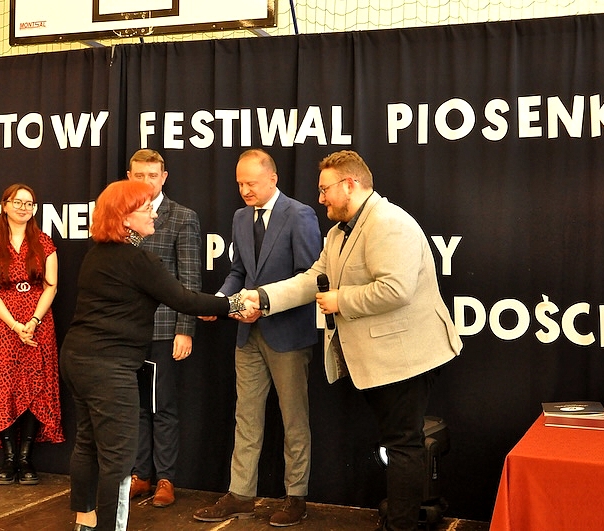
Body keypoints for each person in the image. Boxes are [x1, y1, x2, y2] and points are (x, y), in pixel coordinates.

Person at [246, 150, 462, 531]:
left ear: (350, 184)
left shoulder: (389, 223)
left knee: (403, 446)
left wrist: (340, 300)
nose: (320, 198)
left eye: (325, 189)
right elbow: (313, 278)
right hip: (382, 360)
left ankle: (400, 527)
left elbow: (396, 289)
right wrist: (263, 298)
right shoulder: (337, 233)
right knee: (398, 444)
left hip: (407, 358)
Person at [59, 180, 249, 531]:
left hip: (76, 359)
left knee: (87, 444)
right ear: (124, 218)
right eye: (146, 208)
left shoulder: (97, 254)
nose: (154, 214)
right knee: (118, 459)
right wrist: (234, 304)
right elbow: (184, 300)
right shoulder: (137, 260)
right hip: (108, 368)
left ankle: (85, 523)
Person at [193, 149, 322, 527]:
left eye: (251, 183)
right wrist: (221, 302)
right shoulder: (240, 217)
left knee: (294, 419)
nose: (244, 190)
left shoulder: (300, 215)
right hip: (247, 334)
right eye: (239, 184)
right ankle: (241, 495)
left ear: (272, 179)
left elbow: (310, 278)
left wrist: (264, 306)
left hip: (288, 334)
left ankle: (296, 497)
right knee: (246, 417)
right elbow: (239, 272)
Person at [126, 149, 202, 508]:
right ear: (129, 177)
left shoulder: (182, 217)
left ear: (164, 177)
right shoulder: (120, 215)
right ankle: (140, 474)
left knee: (163, 407)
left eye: (152, 175)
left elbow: (189, 279)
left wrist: (184, 329)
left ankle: (166, 479)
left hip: (163, 330)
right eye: (139, 175)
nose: (146, 182)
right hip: (127, 332)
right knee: (135, 407)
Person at [0, 183, 64, 486]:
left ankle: (25, 458)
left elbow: (51, 285)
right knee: (3, 387)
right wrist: (15, 325)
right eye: (18, 202)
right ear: (5, 205)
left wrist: (34, 320)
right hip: (2, 325)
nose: (24, 208)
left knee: (34, 387)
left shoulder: (44, 242)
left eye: (29, 203)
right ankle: (9, 457)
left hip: (38, 323)